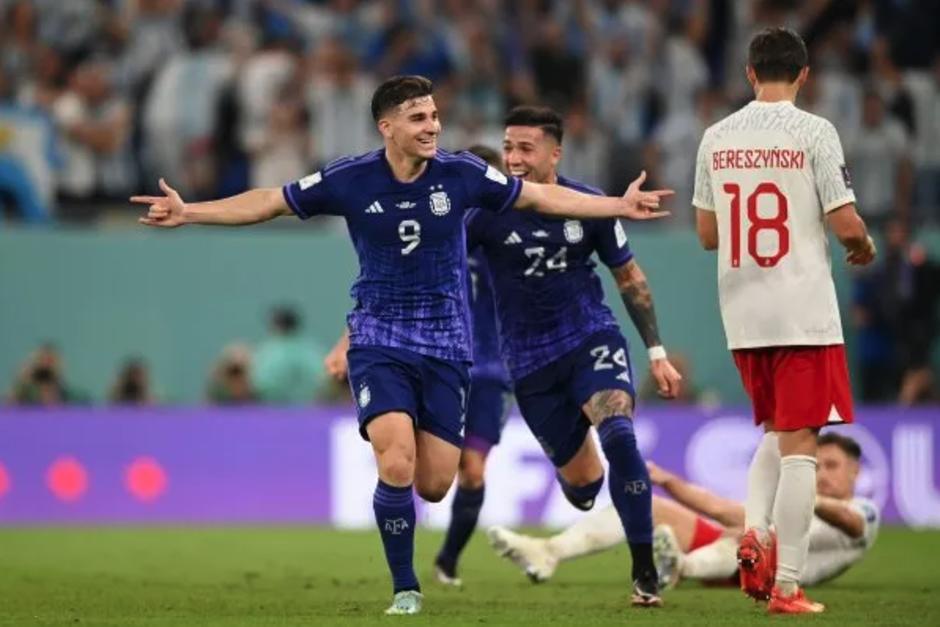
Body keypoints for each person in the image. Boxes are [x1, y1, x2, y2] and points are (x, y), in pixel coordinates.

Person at [133, 75, 672, 616]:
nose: (432, 125)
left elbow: (539, 196)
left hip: (446, 346)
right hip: (379, 336)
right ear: (386, 127)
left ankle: (432, 523)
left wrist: (616, 207)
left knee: (435, 483)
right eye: (418, 118)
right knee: (395, 462)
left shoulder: (462, 174)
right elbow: (270, 201)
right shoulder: (351, 178)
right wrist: (191, 211)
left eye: (434, 115)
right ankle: (406, 588)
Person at [691, 28, 876, 614]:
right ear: (803, 74)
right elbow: (845, 224)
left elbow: (707, 234)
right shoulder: (815, 132)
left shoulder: (715, 137)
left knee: (775, 431)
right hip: (801, 308)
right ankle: (789, 586)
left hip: (742, 311)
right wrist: (863, 246)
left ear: (749, 74)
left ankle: (755, 532)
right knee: (802, 446)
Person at [470, 106, 683, 607]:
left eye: (526, 148)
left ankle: (644, 571)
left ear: (554, 153)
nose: (514, 158)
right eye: (508, 147)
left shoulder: (590, 205)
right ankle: (600, 494)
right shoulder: (484, 214)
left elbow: (630, 279)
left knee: (620, 437)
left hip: (590, 339)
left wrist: (656, 352)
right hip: (529, 363)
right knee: (584, 488)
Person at [488, 433, 879, 592]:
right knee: (650, 506)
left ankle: (679, 566)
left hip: (768, 573)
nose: (820, 474)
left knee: (749, 540)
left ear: (855, 471)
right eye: (814, 465)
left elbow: (852, 523)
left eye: (831, 466)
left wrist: (801, 492)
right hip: (740, 558)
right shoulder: (792, 503)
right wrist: (667, 480)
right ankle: (550, 551)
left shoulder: (864, 511)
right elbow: (726, 510)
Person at [429, 144, 514, 588]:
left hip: (493, 372)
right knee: (419, 469)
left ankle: (447, 560)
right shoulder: (441, 232)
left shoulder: (512, 237)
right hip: (443, 362)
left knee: (474, 470)